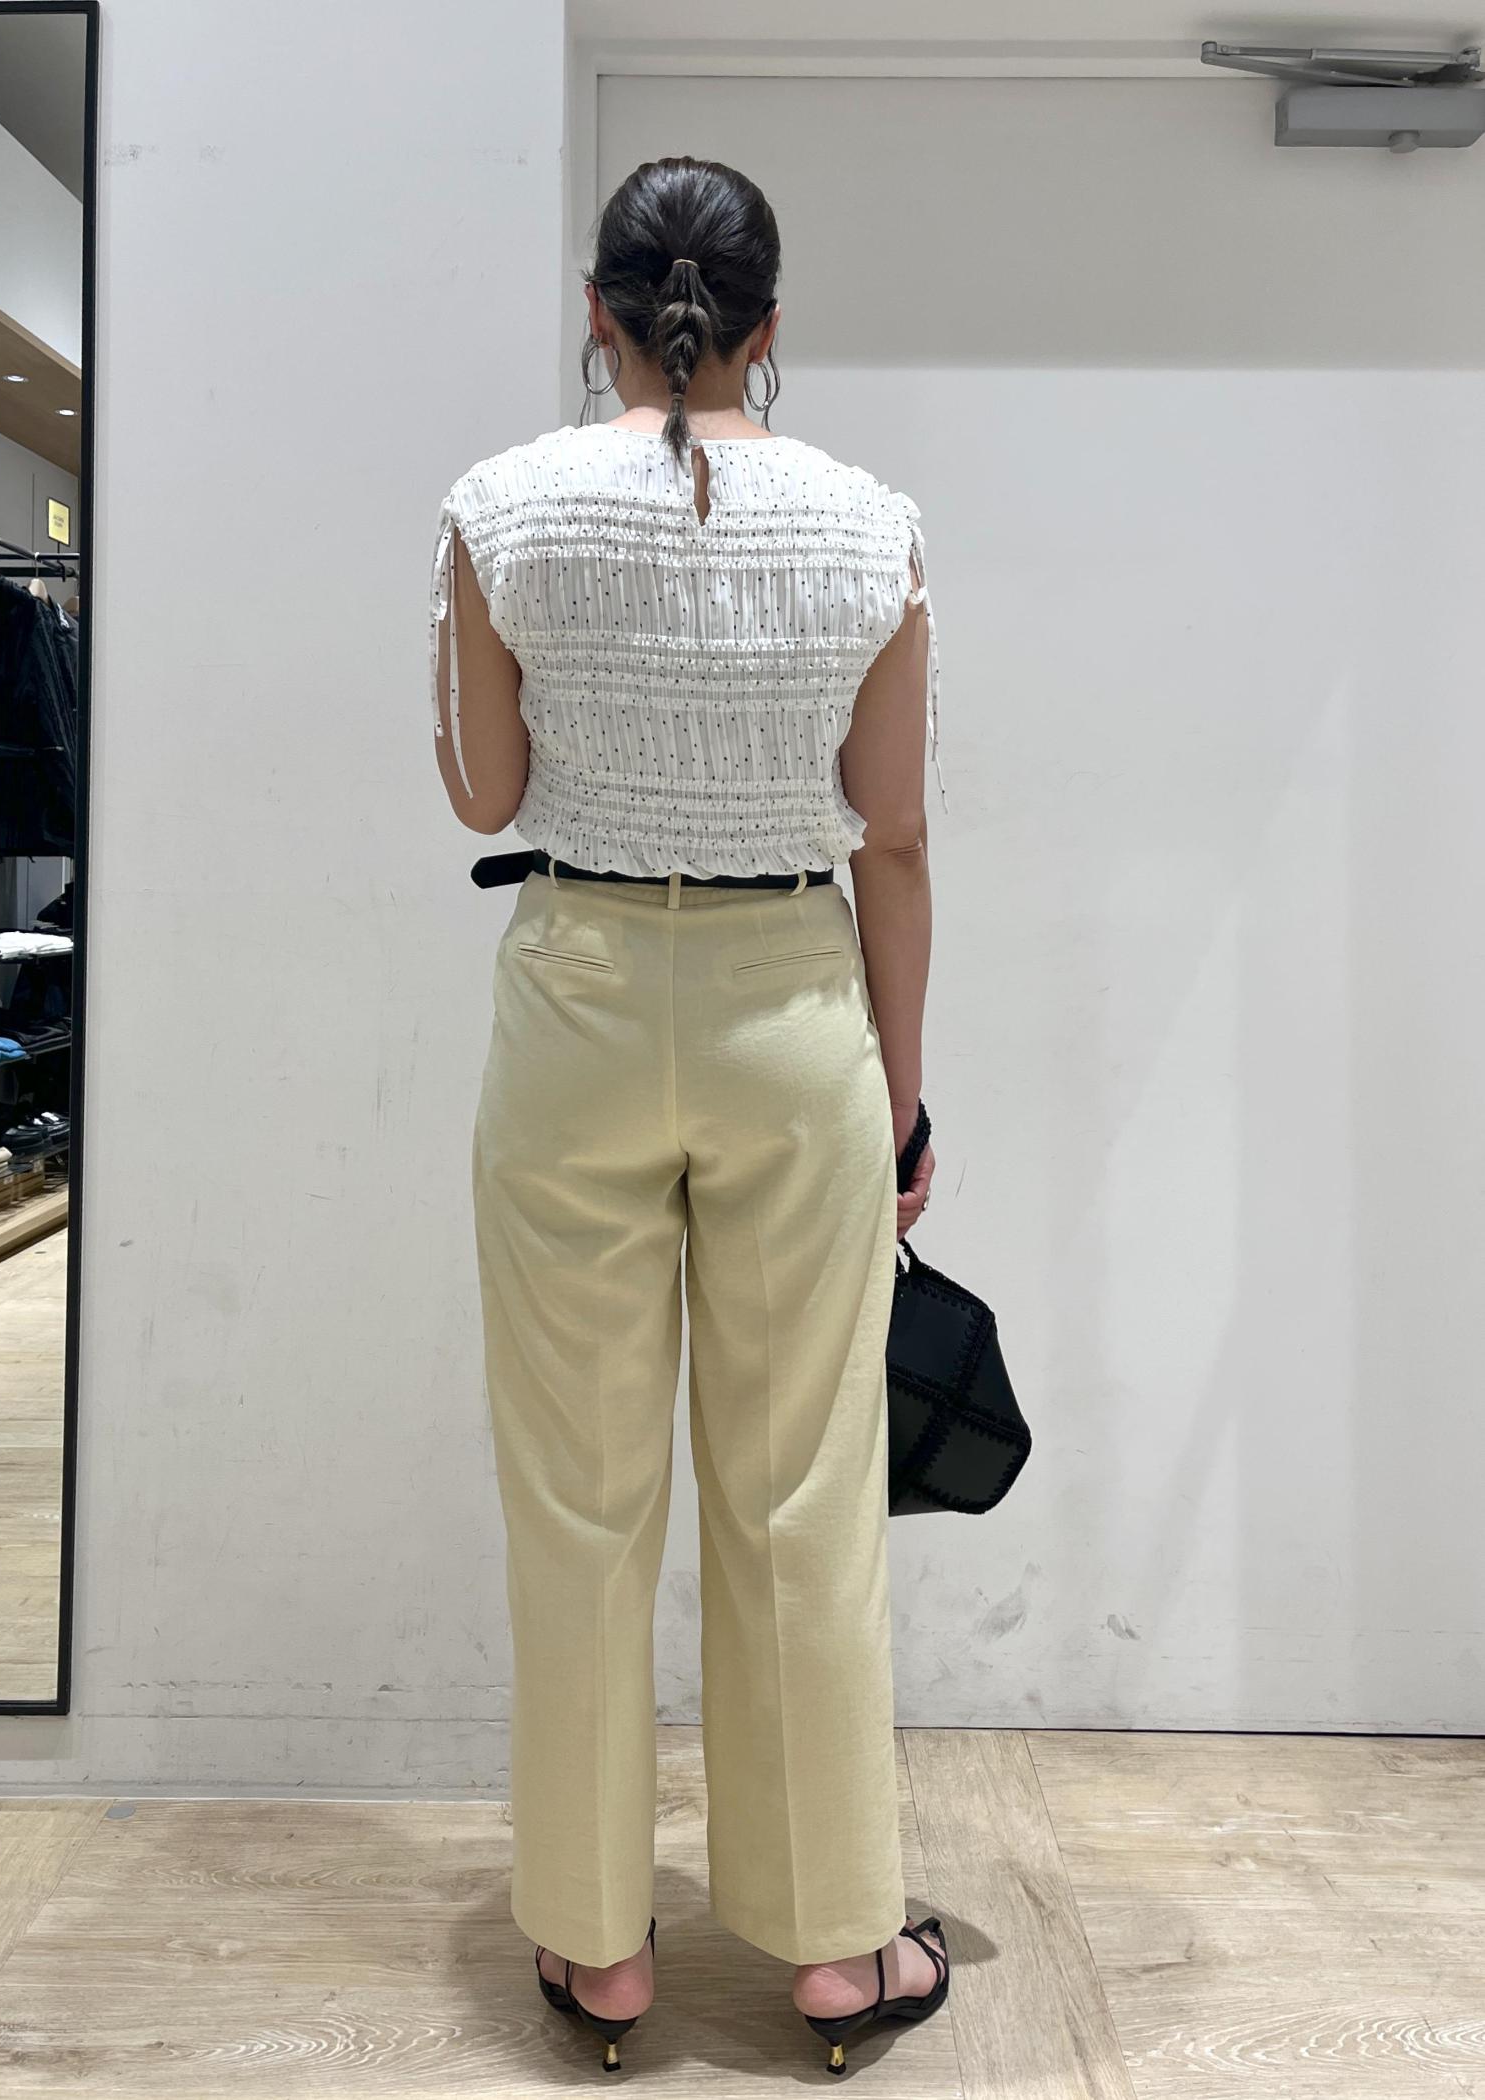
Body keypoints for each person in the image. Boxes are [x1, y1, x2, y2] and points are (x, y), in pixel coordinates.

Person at [428, 153, 949, 2076]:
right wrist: (902, 1099)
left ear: (599, 311)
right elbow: (894, 836)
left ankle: (597, 1946)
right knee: (800, 1491)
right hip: (793, 1010)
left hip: (575, 998)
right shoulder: (870, 524)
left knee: (578, 1494)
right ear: (767, 324)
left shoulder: (499, 508)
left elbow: (485, 796)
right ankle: (834, 1947)